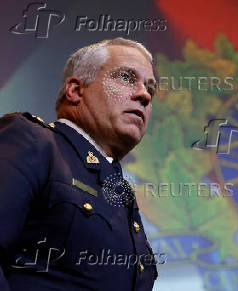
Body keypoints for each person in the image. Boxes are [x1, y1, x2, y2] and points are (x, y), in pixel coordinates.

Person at [0, 37, 158, 290]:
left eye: (150, 88)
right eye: (127, 78)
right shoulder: (33, 141)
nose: (144, 95)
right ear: (75, 90)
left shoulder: (122, 195)